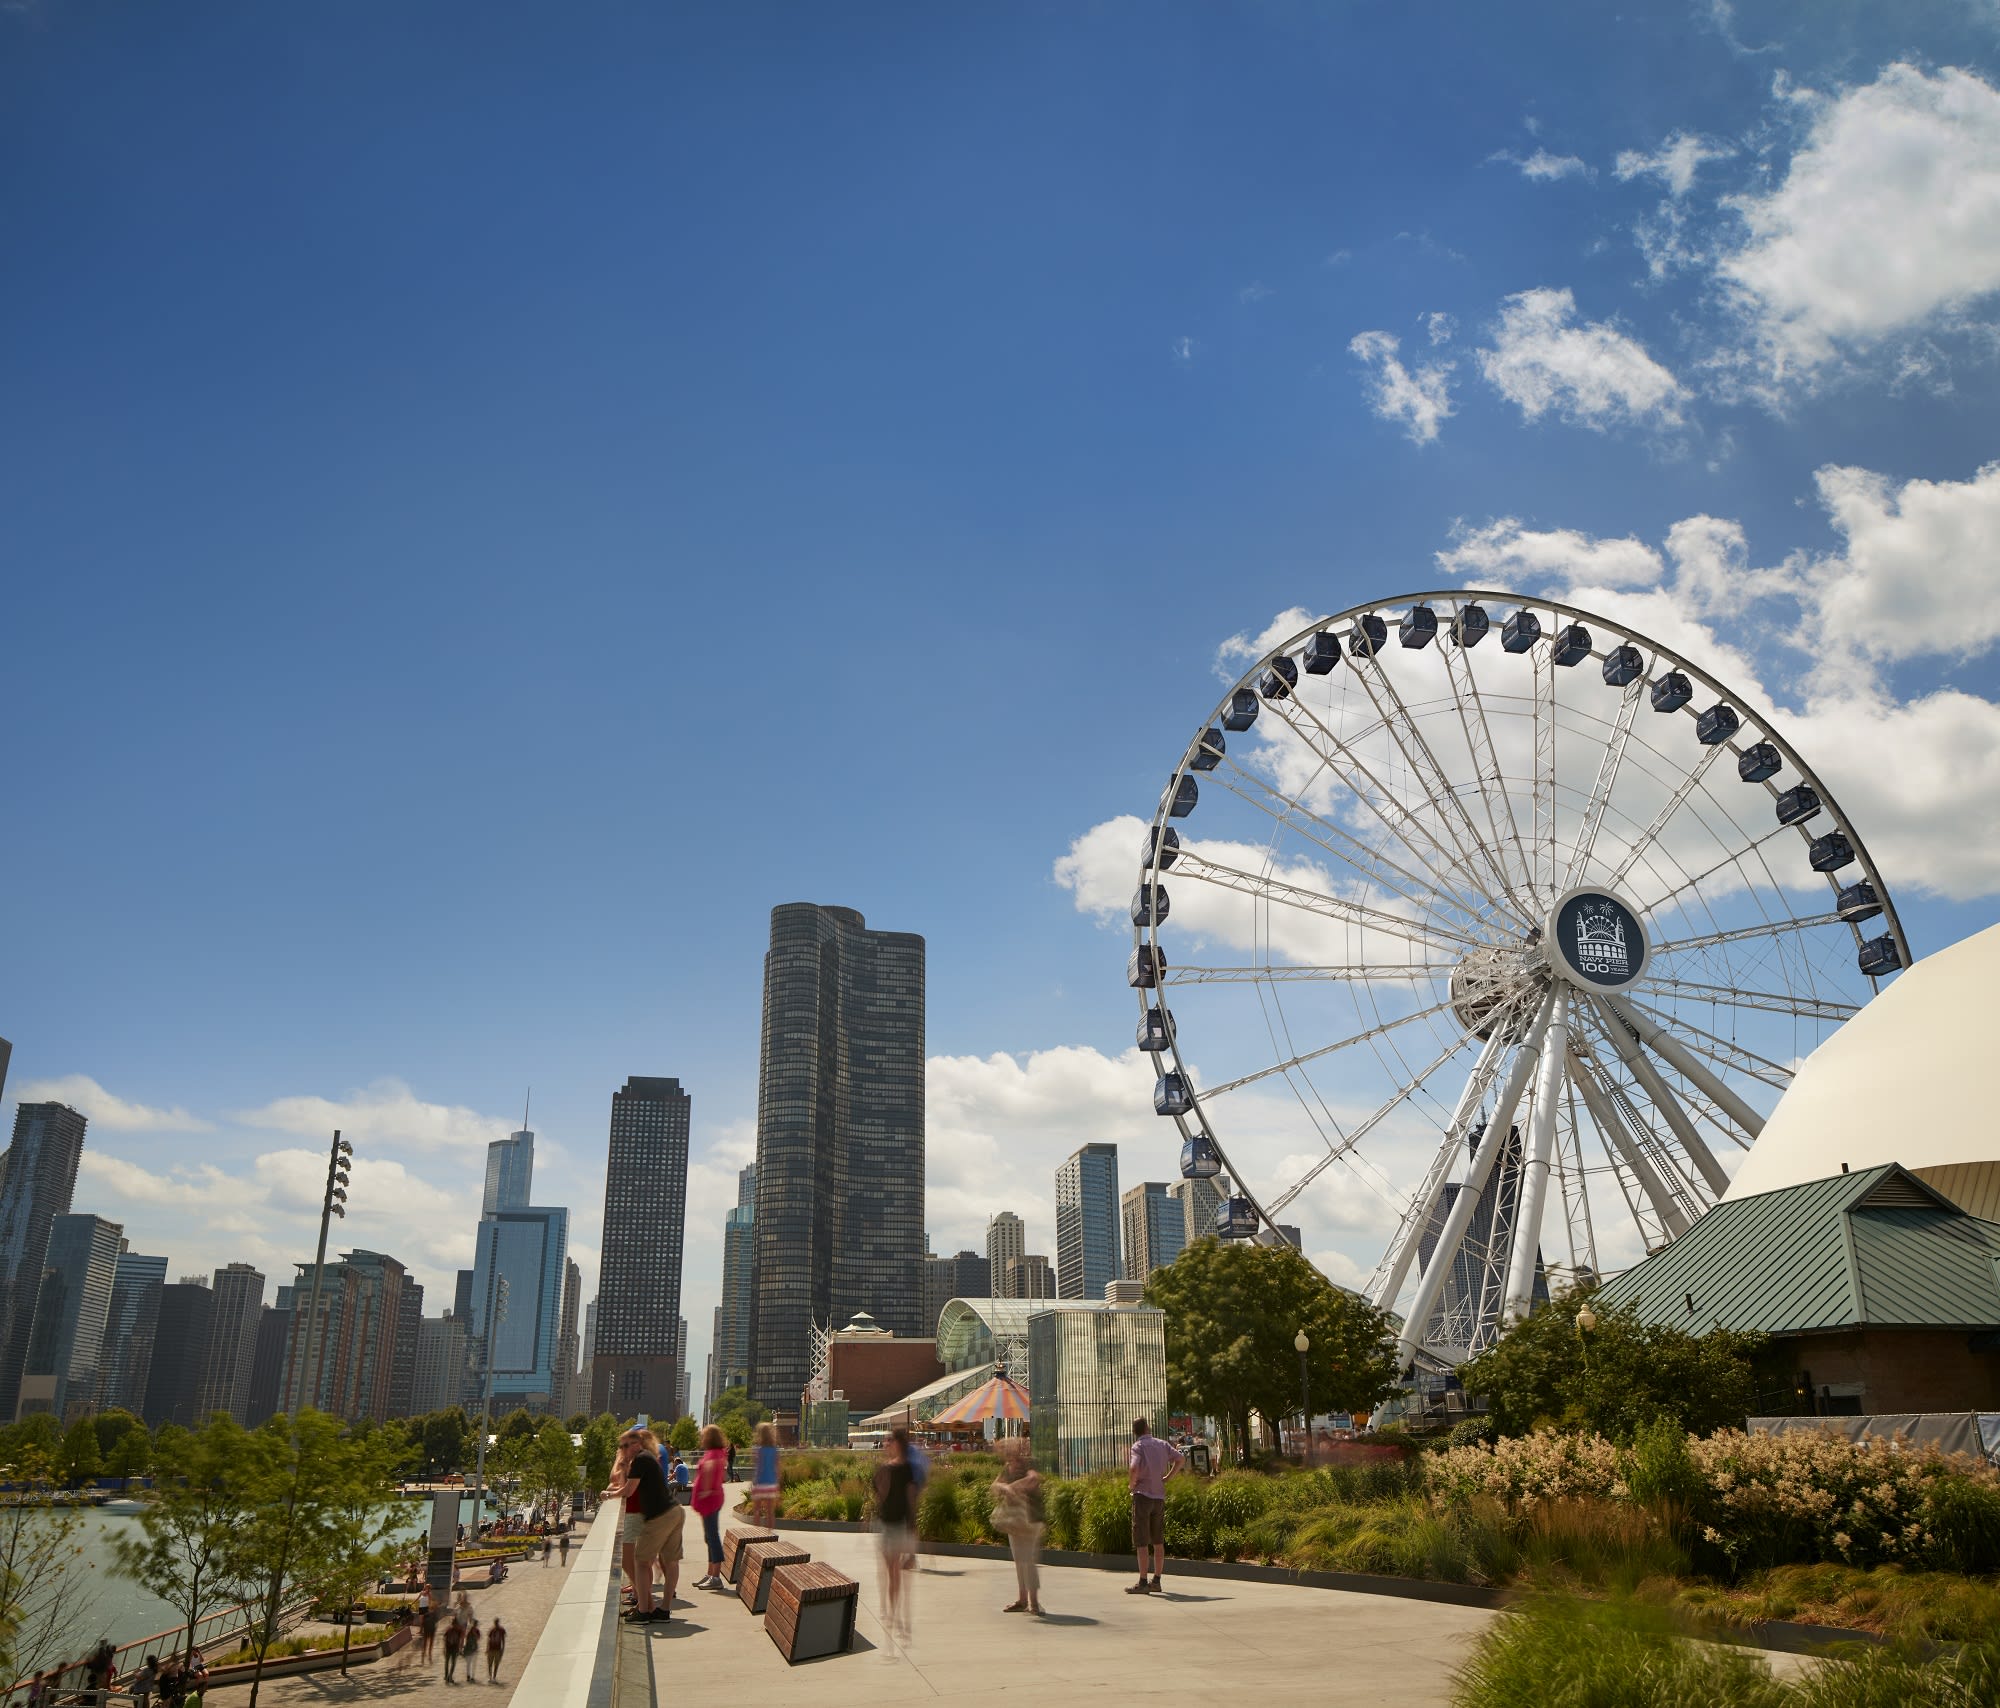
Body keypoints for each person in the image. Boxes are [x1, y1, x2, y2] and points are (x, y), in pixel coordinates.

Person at [606, 1426, 680, 1622]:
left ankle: (646, 1606)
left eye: (626, 1443)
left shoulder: (638, 1460)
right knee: (655, 1562)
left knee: (636, 1562)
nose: (624, 1447)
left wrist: (618, 1457)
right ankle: (652, 1606)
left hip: (641, 1513)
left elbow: (620, 1482)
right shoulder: (651, 1457)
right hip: (662, 1512)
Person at [1125, 1416, 1185, 1595]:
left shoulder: (1138, 1447)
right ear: (1147, 1428)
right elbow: (1180, 1459)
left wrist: (1132, 1483)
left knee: (1142, 1541)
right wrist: (1168, 1477)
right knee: (1158, 1541)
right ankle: (1156, 1580)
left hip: (1142, 1496)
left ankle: (1143, 1582)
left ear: (1135, 1431)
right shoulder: (1162, 1444)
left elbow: (1134, 1467)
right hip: (1159, 1497)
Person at [990, 1438, 1045, 1615]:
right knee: (1019, 1560)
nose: (1007, 1453)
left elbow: (1034, 1478)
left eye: (1009, 1450)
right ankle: (1022, 1600)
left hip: (1030, 1518)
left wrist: (1013, 1486)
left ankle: (1034, 1602)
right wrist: (1004, 1487)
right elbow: (994, 1486)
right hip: (1014, 1520)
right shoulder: (1008, 1467)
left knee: (1027, 1560)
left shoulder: (1029, 1463)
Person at [872, 1429, 918, 1639]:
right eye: (885, 1441)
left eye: (890, 1441)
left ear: (899, 1443)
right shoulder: (883, 1469)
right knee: (888, 1570)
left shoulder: (907, 1469)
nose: (886, 1444)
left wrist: (913, 1525)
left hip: (898, 1524)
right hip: (885, 1524)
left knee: (894, 1571)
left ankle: (893, 1611)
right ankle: (890, 1610)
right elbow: (880, 1496)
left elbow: (911, 1498)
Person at [690, 1425, 730, 1589]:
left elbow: (710, 1469)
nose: (701, 1438)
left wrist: (706, 1490)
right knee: (709, 1536)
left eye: (703, 1435)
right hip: (712, 1498)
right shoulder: (717, 1453)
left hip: (710, 1499)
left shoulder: (714, 1454)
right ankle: (710, 1574)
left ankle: (716, 1577)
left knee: (712, 1536)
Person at [751, 1421, 780, 1530]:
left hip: (760, 1482)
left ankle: (757, 1534)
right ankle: (770, 1534)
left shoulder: (757, 1450)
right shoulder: (775, 1450)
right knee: (770, 1512)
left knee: (757, 1510)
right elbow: (777, 1468)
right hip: (771, 1482)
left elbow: (758, 1467)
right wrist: (778, 1483)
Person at [486, 1617, 506, 1682]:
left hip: (497, 1649)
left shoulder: (501, 1630)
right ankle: (490, 1677)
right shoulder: (492, 1630)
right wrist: (487, 1648)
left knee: (496, 1664)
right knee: (490, 1664)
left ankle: (493, 1677)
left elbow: (503, 1640)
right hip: (492, 1649)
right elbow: (489, 1640)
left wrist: (503, 1648)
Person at [443, 1619, 462, 1683]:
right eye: (455, 1624)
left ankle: (450, 1676)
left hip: (454, 1649)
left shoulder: (459, 1631)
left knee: (453, 1663)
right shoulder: (449, 1630)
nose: (456, 1626)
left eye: (456, 1625)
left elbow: (459, 1640)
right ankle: (446, 1676)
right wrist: (444, 1648)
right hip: (448, 1648)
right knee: (447, 1663)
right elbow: (445, 1639)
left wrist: (459, 1649)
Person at [463, 1617, 482, 1682]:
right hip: (469, 1648)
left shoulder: (477, 1631)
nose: (475, 1625)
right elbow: (466, 1638)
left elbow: (478, 1638)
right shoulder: (469, 1631)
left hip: (475, 1648)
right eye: (474, 1624)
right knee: (468, 1663)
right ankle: (468, 1676)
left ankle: (472, 1676)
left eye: (475, 1624)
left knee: (474, 1663)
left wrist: (474, 1633)